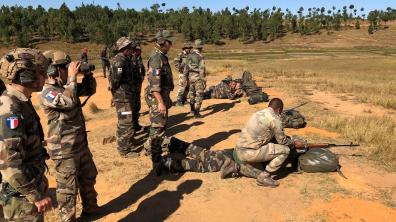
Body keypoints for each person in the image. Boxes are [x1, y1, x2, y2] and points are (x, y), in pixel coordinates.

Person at [40, 50, 99, 221]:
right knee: (67, 189)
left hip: (80, 144)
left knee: (88, 177)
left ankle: (91, 210)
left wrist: (87, 75)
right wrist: (72, 78)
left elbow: (89, 89)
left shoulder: (65, 88)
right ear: (53, 70)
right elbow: (68, 101)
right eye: (65, 68)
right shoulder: (47, 92)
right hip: (64, 150)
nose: (69, 70)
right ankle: (68, 219)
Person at [0, 48, 52, 221]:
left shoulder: (21, 101)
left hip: (26, 194)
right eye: (40, 73)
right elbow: (9, 164)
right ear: (24, 74)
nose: (45, 77)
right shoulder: (11, 109)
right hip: (22, 200)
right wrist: (36, 196)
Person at [230, 98, 306, 187]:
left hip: (238, 150)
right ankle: (263, 178)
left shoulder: (258, 113)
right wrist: (294, 143)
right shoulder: (275, 119)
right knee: (285, 150)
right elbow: (283, 141)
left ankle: (234, 167)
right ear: (279, 109)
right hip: (250, 153)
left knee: (257, 170)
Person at [144, 30, 174, 175]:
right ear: (163, 42)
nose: (171, 46)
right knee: (158, 129)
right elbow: (154, 85)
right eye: (169, 42)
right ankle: (156, 161)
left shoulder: (161, 56)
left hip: (161, 97)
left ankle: (149, 149)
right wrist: (161, 103)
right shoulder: (156, 58)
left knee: (159, 127)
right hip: (157, 99)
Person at [109, 37, 139, 157]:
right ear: (123, 48)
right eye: (129, 48)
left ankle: (127, 141)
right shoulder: (119, 60)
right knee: (125, 122)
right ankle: (124, 149)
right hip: (122, 96)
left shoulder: (126, 59)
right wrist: (115, 94)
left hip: (127, 95)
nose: (132, 49)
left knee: (127, 120)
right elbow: (115, 80)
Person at [184, 39, 206, 118]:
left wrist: (185, 78)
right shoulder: (200, 56)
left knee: (192, 94)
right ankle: (197, 113)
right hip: (198, 77)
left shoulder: (189, 55)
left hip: (190, 76)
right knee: (199, 94)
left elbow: (185, 68)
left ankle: (192, 110)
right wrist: (204, 80)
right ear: (200, 47)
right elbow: (202, 69)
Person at [131, 44, 146, 131]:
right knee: (132, 107)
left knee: (137, 105)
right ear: (134, 51)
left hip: (138, 86)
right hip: (132, 87)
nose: (140, 52)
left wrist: (143, 75)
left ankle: (136, 124)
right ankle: (132, 126)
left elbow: (142, 68)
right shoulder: (130, 59)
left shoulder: (138, 59)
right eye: (138, 51)